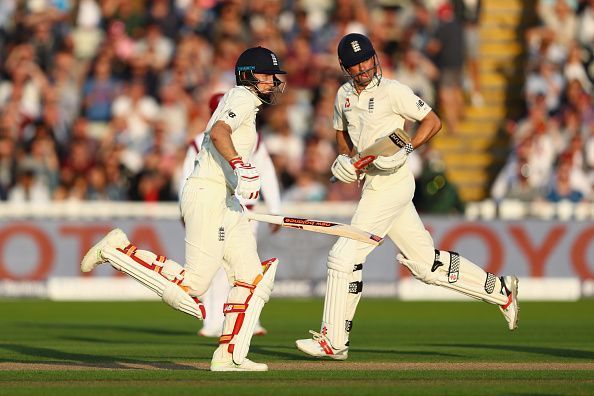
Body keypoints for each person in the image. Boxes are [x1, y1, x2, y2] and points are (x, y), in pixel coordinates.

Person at [295, 33, 519, 360]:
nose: (364, 68)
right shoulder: (342, 95)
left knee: (343, 255)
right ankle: (500, 291)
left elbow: (433, 121)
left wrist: (409, 148)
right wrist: (345, 158)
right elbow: (341, 132)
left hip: (394, 182)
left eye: (368, 59)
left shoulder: (393, 91)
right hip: (372, 185)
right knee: (425, 265)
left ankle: (334, 340)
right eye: (356, 64)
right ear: (344, 67)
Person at [81, 46, 287, 371]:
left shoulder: (249, 104)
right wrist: (238, 164)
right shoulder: (242, 97)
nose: (273, 82)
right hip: (208, 194)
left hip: (228, 200)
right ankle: (117, 250)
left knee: (252, 278)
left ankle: (230, 356)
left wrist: (239, 175)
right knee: (193, 287)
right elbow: (219, 132)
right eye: (266, 75)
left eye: (274, 76)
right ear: (248, 75)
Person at [180, 92, 282, 338]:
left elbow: (266, 172)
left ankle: (249, 321)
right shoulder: (201, 139)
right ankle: (213, 321)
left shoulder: (252, 138)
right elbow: (188, 175)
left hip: (245, 209)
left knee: (247, 269)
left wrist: (276, 207)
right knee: (210, 270)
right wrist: (184, 209)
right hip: (215, 204)